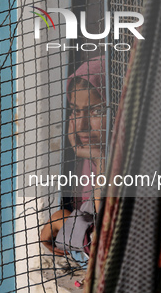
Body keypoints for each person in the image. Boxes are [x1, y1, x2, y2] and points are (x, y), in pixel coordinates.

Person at [40, 56, 107, 256]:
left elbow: (103, 242)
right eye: (76, 111)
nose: (81, 125)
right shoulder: (82, 166)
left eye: (96, 111)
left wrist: (62, 220)